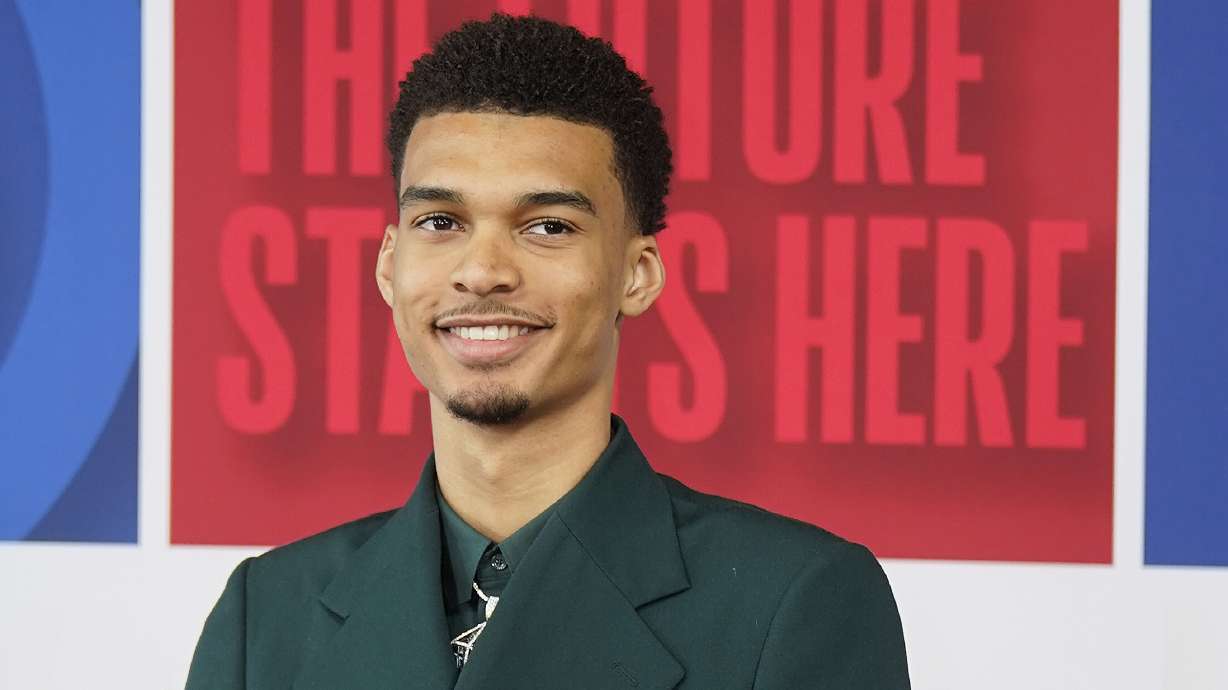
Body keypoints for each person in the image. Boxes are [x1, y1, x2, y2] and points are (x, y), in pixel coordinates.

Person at [186, 13, 910, 689]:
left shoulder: (793, 600)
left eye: (549, 227)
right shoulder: (268, 614)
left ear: (638, 274)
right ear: (388, 264)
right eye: (440, 220)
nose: (484, 269)